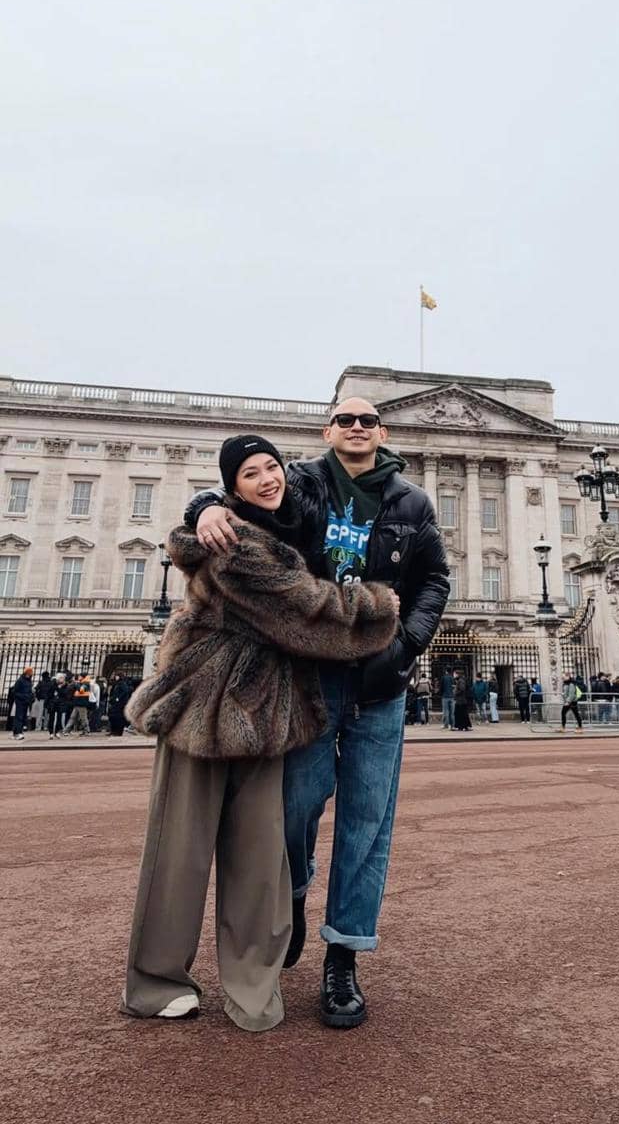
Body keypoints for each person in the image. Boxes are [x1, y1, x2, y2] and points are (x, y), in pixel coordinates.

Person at [123, 435, 400, 1031]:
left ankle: (253, 984)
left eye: (272, 466)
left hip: (269, 711)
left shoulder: (284, 523)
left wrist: (204, 503)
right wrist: (380, 605)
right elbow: (306, 615)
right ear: (234, 488)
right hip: (205, 707)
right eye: (251, 473)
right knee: (180, 851)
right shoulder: (233, 542)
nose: (268, 479)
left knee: (261, 859)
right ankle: (156, 981)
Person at [187, 406, 449, 1029]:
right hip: (306, 678)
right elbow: (245, 490)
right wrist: (204, 507)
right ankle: (296, 893)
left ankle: (344, 958)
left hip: (378, 686)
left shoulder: (413, 504)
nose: (357, 427)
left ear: (383, 434)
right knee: (295, 807)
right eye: (344, 418)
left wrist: (405, 647)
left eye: (369, 420)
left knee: (367, 824)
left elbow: (434, 578)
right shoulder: (300, 481)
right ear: (327, 432)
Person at [10, 667, 33, 740]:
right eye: (29, 672)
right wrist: (22, 696)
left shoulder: (29, 681)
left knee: (23, 717)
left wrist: (30, 696)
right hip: (20, 701)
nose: (30, 674)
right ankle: (18, 733)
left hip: (26, 701)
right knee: (19, 717)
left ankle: (16, 733)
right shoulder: (20, 680)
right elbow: (14, 691)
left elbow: (29, 691)